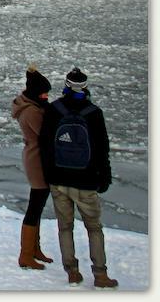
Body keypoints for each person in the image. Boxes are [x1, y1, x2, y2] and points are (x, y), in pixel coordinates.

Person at [39, 68, 118, 288]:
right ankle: (100, 275)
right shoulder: (94, 112)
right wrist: (104, 177)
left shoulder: (54, 110)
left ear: (66, 85)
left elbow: (45, 145)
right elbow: (102, 149)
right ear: (85, 87)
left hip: (59, 179)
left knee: (65, 227)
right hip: (86, 181)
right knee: (94, 228)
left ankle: (71, 271)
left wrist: (48, 174)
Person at [11, 65, 54, 269]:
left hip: (36, 158)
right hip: (37, 161)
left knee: (37, 205)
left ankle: (34, 249)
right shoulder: (32, 112)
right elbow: (47, 135)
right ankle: (26, 254)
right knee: (35, 206)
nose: (47, 96)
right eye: (44, 93)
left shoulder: (33, 106)